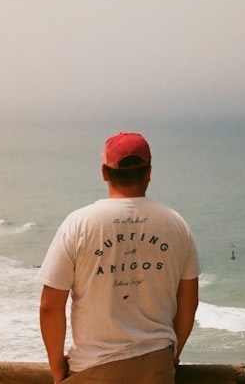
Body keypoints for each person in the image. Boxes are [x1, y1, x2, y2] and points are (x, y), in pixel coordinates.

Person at [38, 132, 200, 384]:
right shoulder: (176, 225)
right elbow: (189, 301)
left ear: (104, 172)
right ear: (149, 172)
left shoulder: (79, 224)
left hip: (93, 368)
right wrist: (171, 356)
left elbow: (50, 306)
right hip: (156, 369)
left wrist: (57, 368)